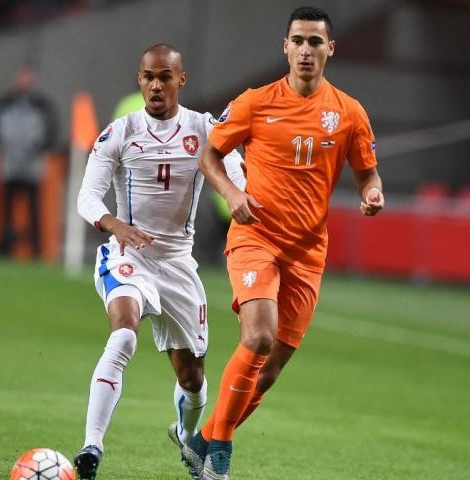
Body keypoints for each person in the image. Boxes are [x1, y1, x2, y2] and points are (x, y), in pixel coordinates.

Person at [183, 7, 385, 480]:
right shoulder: (256, 102)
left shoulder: (349, 113)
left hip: (308, 253)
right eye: (298, 40)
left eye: (316, 42)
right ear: (286, 46)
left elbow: (367, 171)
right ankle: (220, 455)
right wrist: (232, 193)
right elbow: (209, 154)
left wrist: (371, 191)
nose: (306, 50)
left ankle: (201, 440)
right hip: (256, 237)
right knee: (257, 336)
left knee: (268, 370)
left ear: (330, 49)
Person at [73, 43, 245, 480]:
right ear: (139, 79)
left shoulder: (205, 129)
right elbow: (87, 197)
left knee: (192, 378)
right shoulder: (119, 132)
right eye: (149, 76)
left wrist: (247, 203)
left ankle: (188, 442)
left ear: (180, 80)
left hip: (178, 264)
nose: (156, 84)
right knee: (124, 335)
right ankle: (91, 446)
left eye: (165, 76)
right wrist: (115, 225)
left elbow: (239, 180)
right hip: (128, 256)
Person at [0, 63, 58, 258]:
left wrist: (37, 148)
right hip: (9, 164)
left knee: (34, 209)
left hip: (32, 166)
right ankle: (4, 248)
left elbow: (52, 131)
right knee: (6, 209)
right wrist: (2, 148)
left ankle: (36, 249)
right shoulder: (5, 103)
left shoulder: (41, 105)